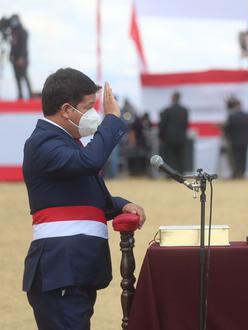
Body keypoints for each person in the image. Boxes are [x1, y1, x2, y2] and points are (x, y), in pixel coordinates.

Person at [22, 68, 146, 329]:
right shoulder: (43, 142)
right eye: (89, 107)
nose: (95, 115)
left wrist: (121, 204)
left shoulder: (68, 143)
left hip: (75, 268)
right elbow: (89, 162)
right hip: (60, 269)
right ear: (67, 109)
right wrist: (112, 120)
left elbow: (85, 195)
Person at [158, 91, 189, 174]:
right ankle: (181, 174)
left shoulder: (167, 110)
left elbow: (162, 125)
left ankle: (170, 175)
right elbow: (186, 124)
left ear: (173, 98)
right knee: (181, 157)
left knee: (169, 157)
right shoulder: (184, 110)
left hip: (169, 138)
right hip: (181, 137)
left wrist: (161, 136)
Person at [223, 96, 248, 178]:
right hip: (245, 140)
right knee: (244, 158)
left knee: (236, 158)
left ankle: (236, 173)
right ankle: (242, 173)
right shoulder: (247, 115)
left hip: (235, 141)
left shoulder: (231, 116)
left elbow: (227, 129)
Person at [9, 14, 33, 99]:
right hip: (14, 59)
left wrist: (21, 57)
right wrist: (11, 56)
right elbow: (12, 46)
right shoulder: (13, 32)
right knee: (17, 77)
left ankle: (30, 95)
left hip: (22, 59)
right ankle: (20, 95)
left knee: (24, 76)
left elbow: (24, 46)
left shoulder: (23, 31)